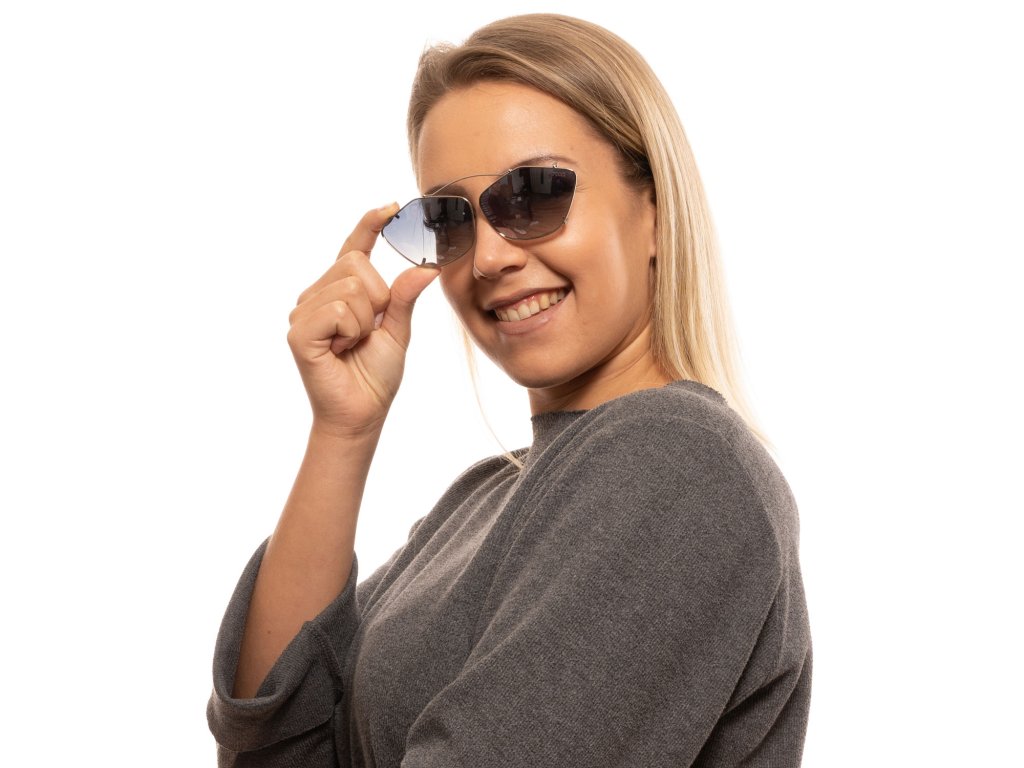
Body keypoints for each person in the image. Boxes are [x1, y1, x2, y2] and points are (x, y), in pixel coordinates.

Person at [208, 13, 811, 767]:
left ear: (654, 210)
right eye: (448, 219)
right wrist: (343, 432)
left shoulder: (680, 465)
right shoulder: (481, 503)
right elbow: (272, 751)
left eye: (533, 194)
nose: (489, 258)